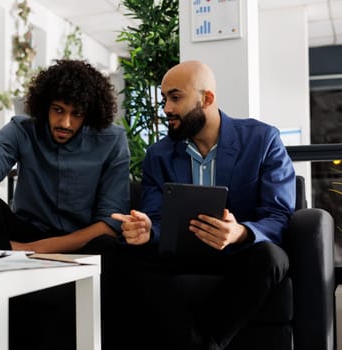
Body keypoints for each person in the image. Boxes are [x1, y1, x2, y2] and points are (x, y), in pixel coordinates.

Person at [0, 59, 130, 350]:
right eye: (58, 110)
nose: (65, 123)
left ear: (89, 115)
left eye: (76, 114)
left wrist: (29, 251)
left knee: (111, 247)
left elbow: (109, 224)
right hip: (25, 231)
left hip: (78, 243)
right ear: (44, 106)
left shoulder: (112, 140)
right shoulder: (22, 129)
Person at [111, 60, 295, 350]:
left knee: (271, 257)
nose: (166, 109)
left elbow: (278, 215)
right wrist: (148, 230)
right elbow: (156, 218)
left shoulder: (262, 140)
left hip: (241, 254)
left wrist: (240, 232)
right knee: (115, 251)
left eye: (175, 97)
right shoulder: (159, 154)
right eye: (164, 99)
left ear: (206, 99)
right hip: (180, 255)